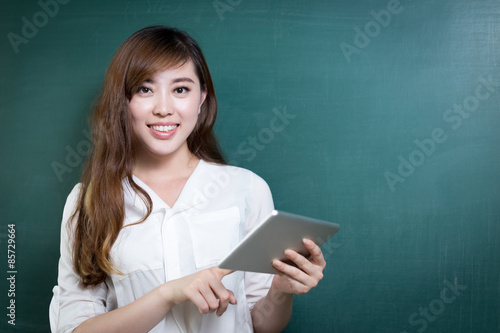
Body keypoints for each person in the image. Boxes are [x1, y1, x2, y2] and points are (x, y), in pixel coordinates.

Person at [49, 25, 326, 333]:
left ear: (201, 99)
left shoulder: (247, 189)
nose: (164, 108)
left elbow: (261, 324)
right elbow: (74, 329)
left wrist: (280, 290)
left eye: (180, 89)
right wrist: (167, 295)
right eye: (144, 89)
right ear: (123, 101)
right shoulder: (89, 200)